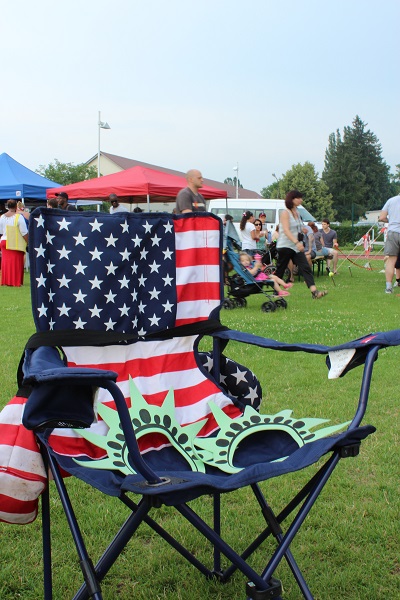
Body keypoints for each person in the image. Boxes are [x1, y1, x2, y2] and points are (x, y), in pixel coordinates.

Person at [274, 190, 327, 300]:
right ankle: (275, 291)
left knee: (305, 267)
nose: (301, 200)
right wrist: (297, 242)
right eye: (298, 198)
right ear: (292, 199)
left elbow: (297, 227)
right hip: (285, 246)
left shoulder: (297, 212)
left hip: (295, 247)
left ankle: (314, 292)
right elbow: (287, 231)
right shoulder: (285, 213)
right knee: (280, 270)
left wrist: (302, 229)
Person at [0, 199, 29, 287]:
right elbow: (24, 232)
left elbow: (1, 231)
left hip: (4, 240)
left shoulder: (2, 217)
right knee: (17, 262)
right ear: (16, 206)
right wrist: (28, 242)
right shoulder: (18, 217)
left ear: (7, 206)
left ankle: (5, 281)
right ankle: (16, 281)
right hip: (15, 241)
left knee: (5, 262)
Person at [379, 193, 400, 293]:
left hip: (393, 232)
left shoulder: (391, 200)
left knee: (391, 261)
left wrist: (391, 220)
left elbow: (382, 217)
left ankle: (388, 287)